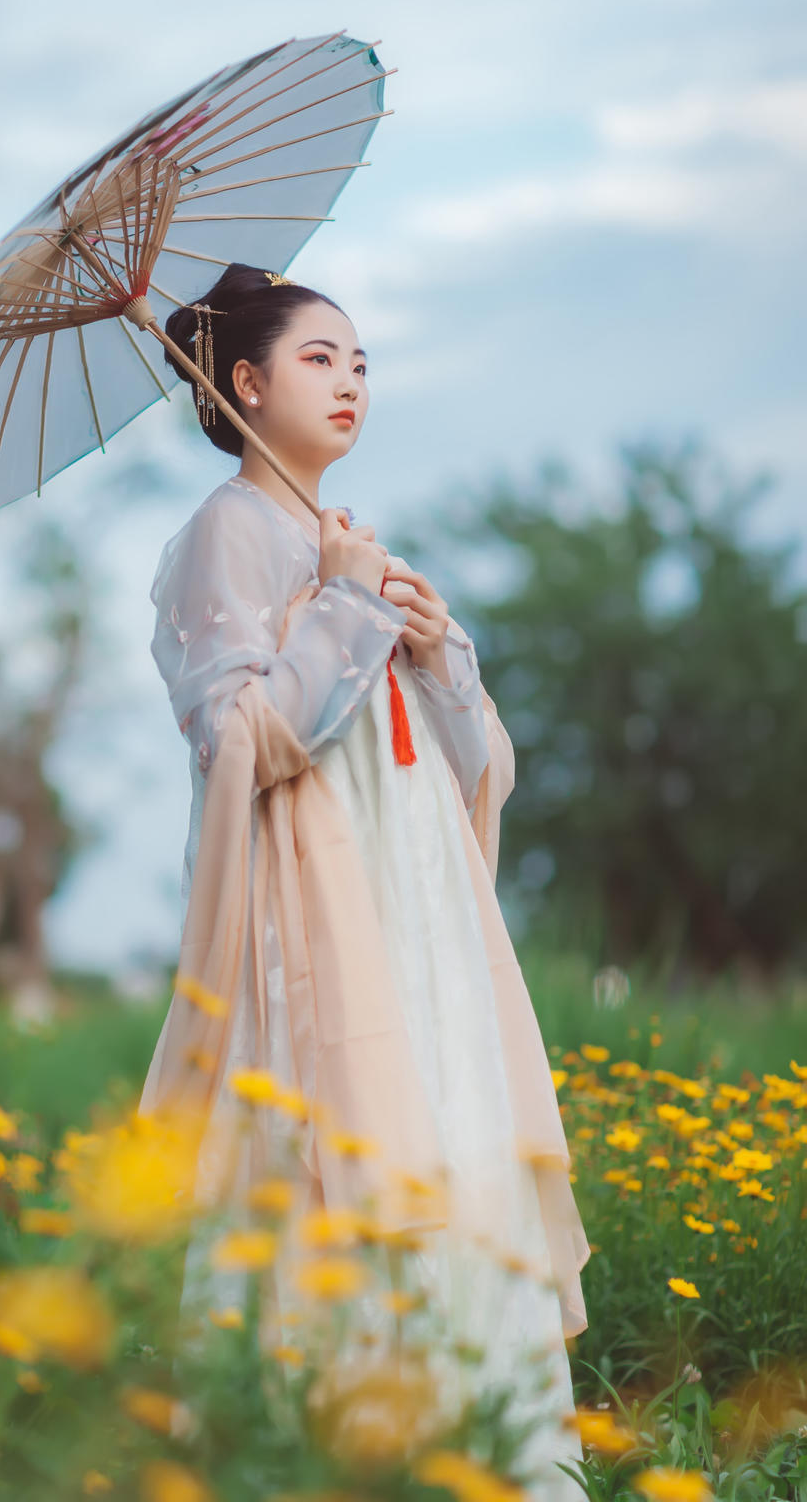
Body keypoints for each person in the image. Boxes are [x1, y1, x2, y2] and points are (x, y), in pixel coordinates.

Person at [139, 263, 591, 1498]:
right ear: (243, 384)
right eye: (319, 358)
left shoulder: (346, 535)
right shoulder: (227, 533)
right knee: (338, 1149)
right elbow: (239, 739)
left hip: (418, 902)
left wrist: (440, 656)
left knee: (447, 1123)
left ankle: (479, 1446)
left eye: (360, 363)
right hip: (323, 912)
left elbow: (461, 767)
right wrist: (341, 603)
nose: (350, 382)